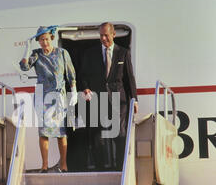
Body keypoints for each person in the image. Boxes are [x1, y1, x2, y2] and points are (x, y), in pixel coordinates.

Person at [81, 22, 138, 171]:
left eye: (106, 35)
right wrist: (85, 87)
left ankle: (120, 169)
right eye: (101, 35)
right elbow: (83, 75)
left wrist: (134, 99)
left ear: (113, 34)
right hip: (97, 100)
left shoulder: (123, 53)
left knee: (119, 135)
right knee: (97, 138)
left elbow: (129, 78)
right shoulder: (90, 53)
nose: (104, 38)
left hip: (119, 101)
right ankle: (100, 169)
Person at [19, 26, 77, 173]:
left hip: (59, 97)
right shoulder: (36, 55)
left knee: (61, 132)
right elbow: (24, 67)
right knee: (44, 132)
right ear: (38, 41)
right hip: (42, 97)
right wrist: (27, 49)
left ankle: (63, 164)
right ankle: (44, 165)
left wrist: (74, 90)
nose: (44, 42)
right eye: (41, 40)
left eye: (46, 39)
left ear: (51, 38)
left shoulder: (62, 53)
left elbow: (71, 74)